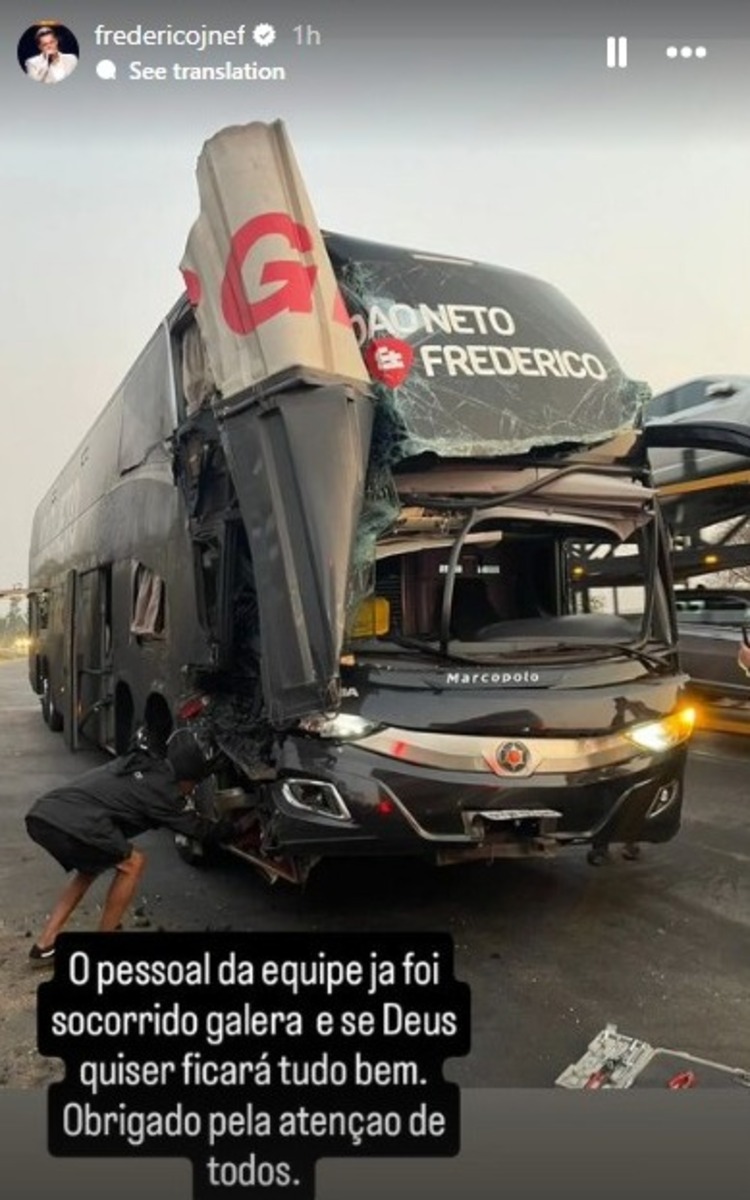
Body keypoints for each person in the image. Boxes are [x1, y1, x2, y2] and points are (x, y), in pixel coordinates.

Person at [25, 729, 220, 964]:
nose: (193, 791)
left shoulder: (146, 765)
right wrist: (238, 828)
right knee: (133, 863)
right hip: (72, 820)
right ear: (187, 779)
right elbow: (199, 829)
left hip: (45, 813)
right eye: (194, 784)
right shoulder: (165, 792)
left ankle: (44, 944)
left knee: (89, 870)